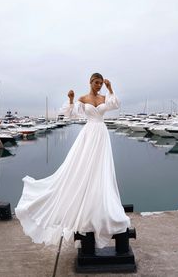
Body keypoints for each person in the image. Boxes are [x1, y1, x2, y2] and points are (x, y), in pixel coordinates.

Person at [15, 72, 130, 248]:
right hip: (89, 134)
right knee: (82, 169)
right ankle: (82, 208)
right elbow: (71, 115)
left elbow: (115, 104)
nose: (99, 86)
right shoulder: (83, 99)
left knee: (101, 170)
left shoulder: (104, 97)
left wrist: (110, 88)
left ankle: (98, 207)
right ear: (90, 82)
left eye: (101, 83)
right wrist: (70, 99)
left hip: (101, 135)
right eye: (97, 83)